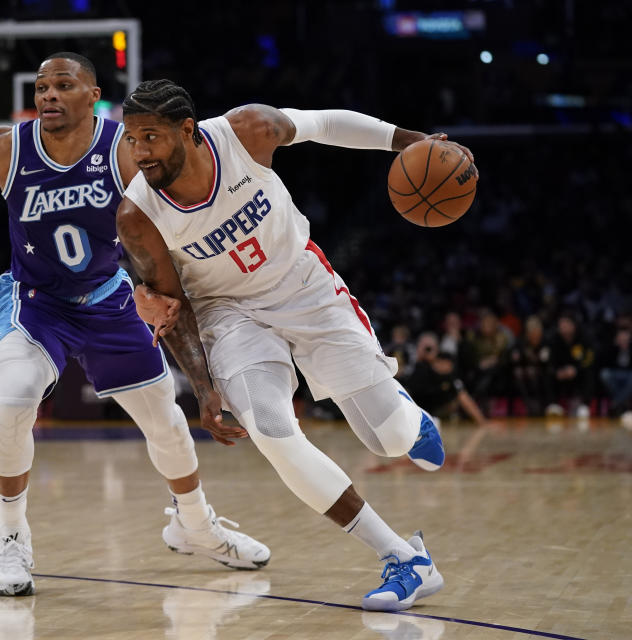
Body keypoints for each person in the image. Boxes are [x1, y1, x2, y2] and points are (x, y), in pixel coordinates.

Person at [0, 53, 269, 598]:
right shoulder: (9, 147)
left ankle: (196, 526)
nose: (48, 95)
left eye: (63, 85)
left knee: (169, 425)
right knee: (13, 401)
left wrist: (160, 291)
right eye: (41, 87)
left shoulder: (123, 150)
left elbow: (162, 226)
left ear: (93, 94)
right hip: (36, 302)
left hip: (109, 298)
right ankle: (11, 538)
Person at [116, 79, 468, 611]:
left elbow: (326, 124)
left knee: (389, 440)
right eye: (131, 139)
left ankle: (408, 420)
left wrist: (416, 143)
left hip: (304, 287)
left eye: (150, 138)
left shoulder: (247, 131)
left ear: (187, 131)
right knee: (273, 431)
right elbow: (171, 304)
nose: (139, 153)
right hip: (228, 316)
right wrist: (205, 388)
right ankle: (403, 558)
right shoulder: (137, 215)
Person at [408, 332, 490, 425]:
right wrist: (419, 358)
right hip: (418, 409)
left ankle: (481, 421)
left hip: (439, 406)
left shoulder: (444, 360)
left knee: (459, 391)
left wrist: (433, 361)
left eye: (430, 347)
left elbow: (454, 381)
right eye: (425, 347)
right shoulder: (416, 365)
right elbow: (411, 385)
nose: (427, 350)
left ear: (437, 348)